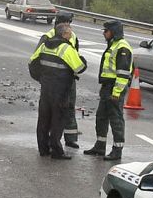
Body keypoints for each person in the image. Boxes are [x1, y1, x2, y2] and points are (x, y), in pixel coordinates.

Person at [28, 19, 87, 159]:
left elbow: (32, 63)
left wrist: (41, 78)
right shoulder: (66, 48)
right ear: (65, 35)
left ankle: (43, 149)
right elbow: (80, 68)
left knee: (43, 119)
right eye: (70, 34)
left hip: (46, 88)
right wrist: (82, 59)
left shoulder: (45, 45)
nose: (71, 36)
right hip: (60, 90)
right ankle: (56, 151)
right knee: (58, 120)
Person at [83, 19, 134, 161]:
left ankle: (117, 150)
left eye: (106, 31)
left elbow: (123, 74)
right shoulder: (114, 44)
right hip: (107, 88)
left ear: (114, 32)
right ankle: (100, 146)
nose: (104, 33)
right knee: (101, 117)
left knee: (116, 119)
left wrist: (116, 93)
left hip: (114, 89)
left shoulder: (122, 48)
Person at [37, 12, 83, 149]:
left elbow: (75, 54)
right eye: (67, 23)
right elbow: (38, 57)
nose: (69, 26)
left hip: (68, 79)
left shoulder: (72, 35)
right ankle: (52, 141)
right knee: (52, 112)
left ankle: (70, 138)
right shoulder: (48, 36)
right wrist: (43, 77)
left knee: (68, 108)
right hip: (52, 81)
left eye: (70, 23)